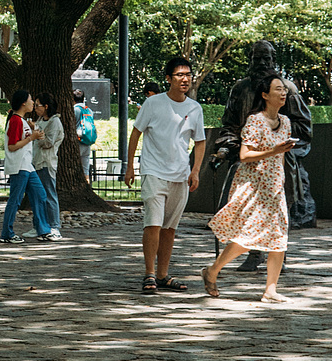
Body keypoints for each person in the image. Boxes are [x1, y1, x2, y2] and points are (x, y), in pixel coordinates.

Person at [215, 40, 315, 271]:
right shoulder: (240, 89)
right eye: (256, 58)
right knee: (250, 210)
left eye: (266, 59)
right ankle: (254, 253)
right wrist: (227, 146)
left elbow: (303, 127)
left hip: (280, 162)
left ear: (274, 60)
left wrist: (279, 140)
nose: (261, 63)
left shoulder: (286, 88)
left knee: (279, 210)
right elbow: (230, 124)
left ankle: (278, 255)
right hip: (249, 160)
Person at [203, 74, 295, 302]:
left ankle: (270, 290)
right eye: (277, 89)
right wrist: (273, 151)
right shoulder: (255, 120)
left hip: (274, 186)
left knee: (278, 237)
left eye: (284, 89)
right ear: (265, 95)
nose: (282, 93)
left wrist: (281, 175)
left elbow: (281, 155)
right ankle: (213, 270)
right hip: (253, 185)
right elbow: (245, 155)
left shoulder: (286, 122)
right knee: (247, 236)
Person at [124, 56, 206, 295]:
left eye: (188, 74)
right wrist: (130, 166)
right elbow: (136, 133)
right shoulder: (153, 103)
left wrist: (195, 171)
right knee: (153, 223)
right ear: (168, 79)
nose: (185, 79)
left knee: (169, 227)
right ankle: (149, 273)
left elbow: (199, 142)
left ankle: (162, 275)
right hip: (153, 171)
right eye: (179, 75)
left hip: (180, 175)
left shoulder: (194, 108)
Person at [1, 89, 58, 243]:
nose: (33, 103)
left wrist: (33, 131)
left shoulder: (22, 121)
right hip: (19, 166)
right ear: (23, 103)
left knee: (40, 194)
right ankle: (7, 233)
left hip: (27, 166)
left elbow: (22, 139)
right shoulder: (15, 120)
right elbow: (13, 146)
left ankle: (43, 230)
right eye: (31, 100)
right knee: (15, 200)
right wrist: (32, 137)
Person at [32, 94, 65, 232]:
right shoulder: (40, 120)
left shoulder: (54, 122)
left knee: (49, 194)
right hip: (36, 161)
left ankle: (54, 225)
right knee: (37, 196)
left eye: (37, 105)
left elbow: (48, 143)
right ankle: (40, 225)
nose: (35, 108)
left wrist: (36, 133)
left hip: (46, 163)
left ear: (46, 107)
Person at [73, 89, 97, 181]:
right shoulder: (89, 110)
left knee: (74, 166)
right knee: (85, 169)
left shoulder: (75, 109)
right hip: (87, 140)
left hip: (77, 140)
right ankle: (87, 184)